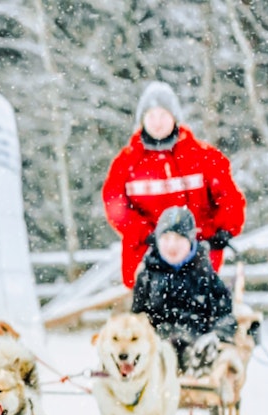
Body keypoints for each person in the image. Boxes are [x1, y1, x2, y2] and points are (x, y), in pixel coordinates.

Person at [102, 81, 246, 289]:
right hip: (146, 259)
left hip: (199, 256)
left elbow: (229, 197)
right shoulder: (126, 163)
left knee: (200, 309)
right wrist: (148, 235)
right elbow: (115, 206)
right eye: (151, 116)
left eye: (163, 115)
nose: (157, 122)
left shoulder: (203, 157)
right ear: (142, 120)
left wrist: (222, 230)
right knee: (149, 313)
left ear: (174, 118)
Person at [132, 206, 237, 374]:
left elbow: (224, 313)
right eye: (166, 238)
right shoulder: (148, 275)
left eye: (179, 238)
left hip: (197, 346)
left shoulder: (204, 272)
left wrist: (217, 335)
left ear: (190, 241)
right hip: (158, 350)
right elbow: (137, 316)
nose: (171, 245)